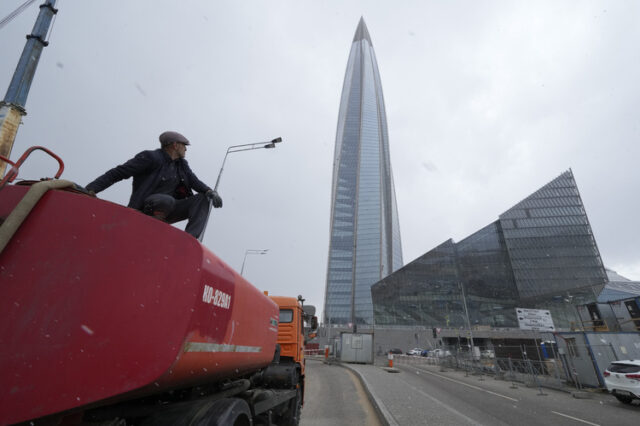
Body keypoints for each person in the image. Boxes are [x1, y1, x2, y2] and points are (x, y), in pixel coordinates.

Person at [86, 131, 222, 239]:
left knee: (202, 199)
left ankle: (189, 240)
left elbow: (194, 181)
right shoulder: (150, 157)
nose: (186, 149)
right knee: (165, 200)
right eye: (184, 145)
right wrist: (91, 189)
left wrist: (209, 191)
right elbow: (118, 173)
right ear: (175, 145)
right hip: (146, 207)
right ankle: (153, 229)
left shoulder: (181, 165)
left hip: (170, 208)